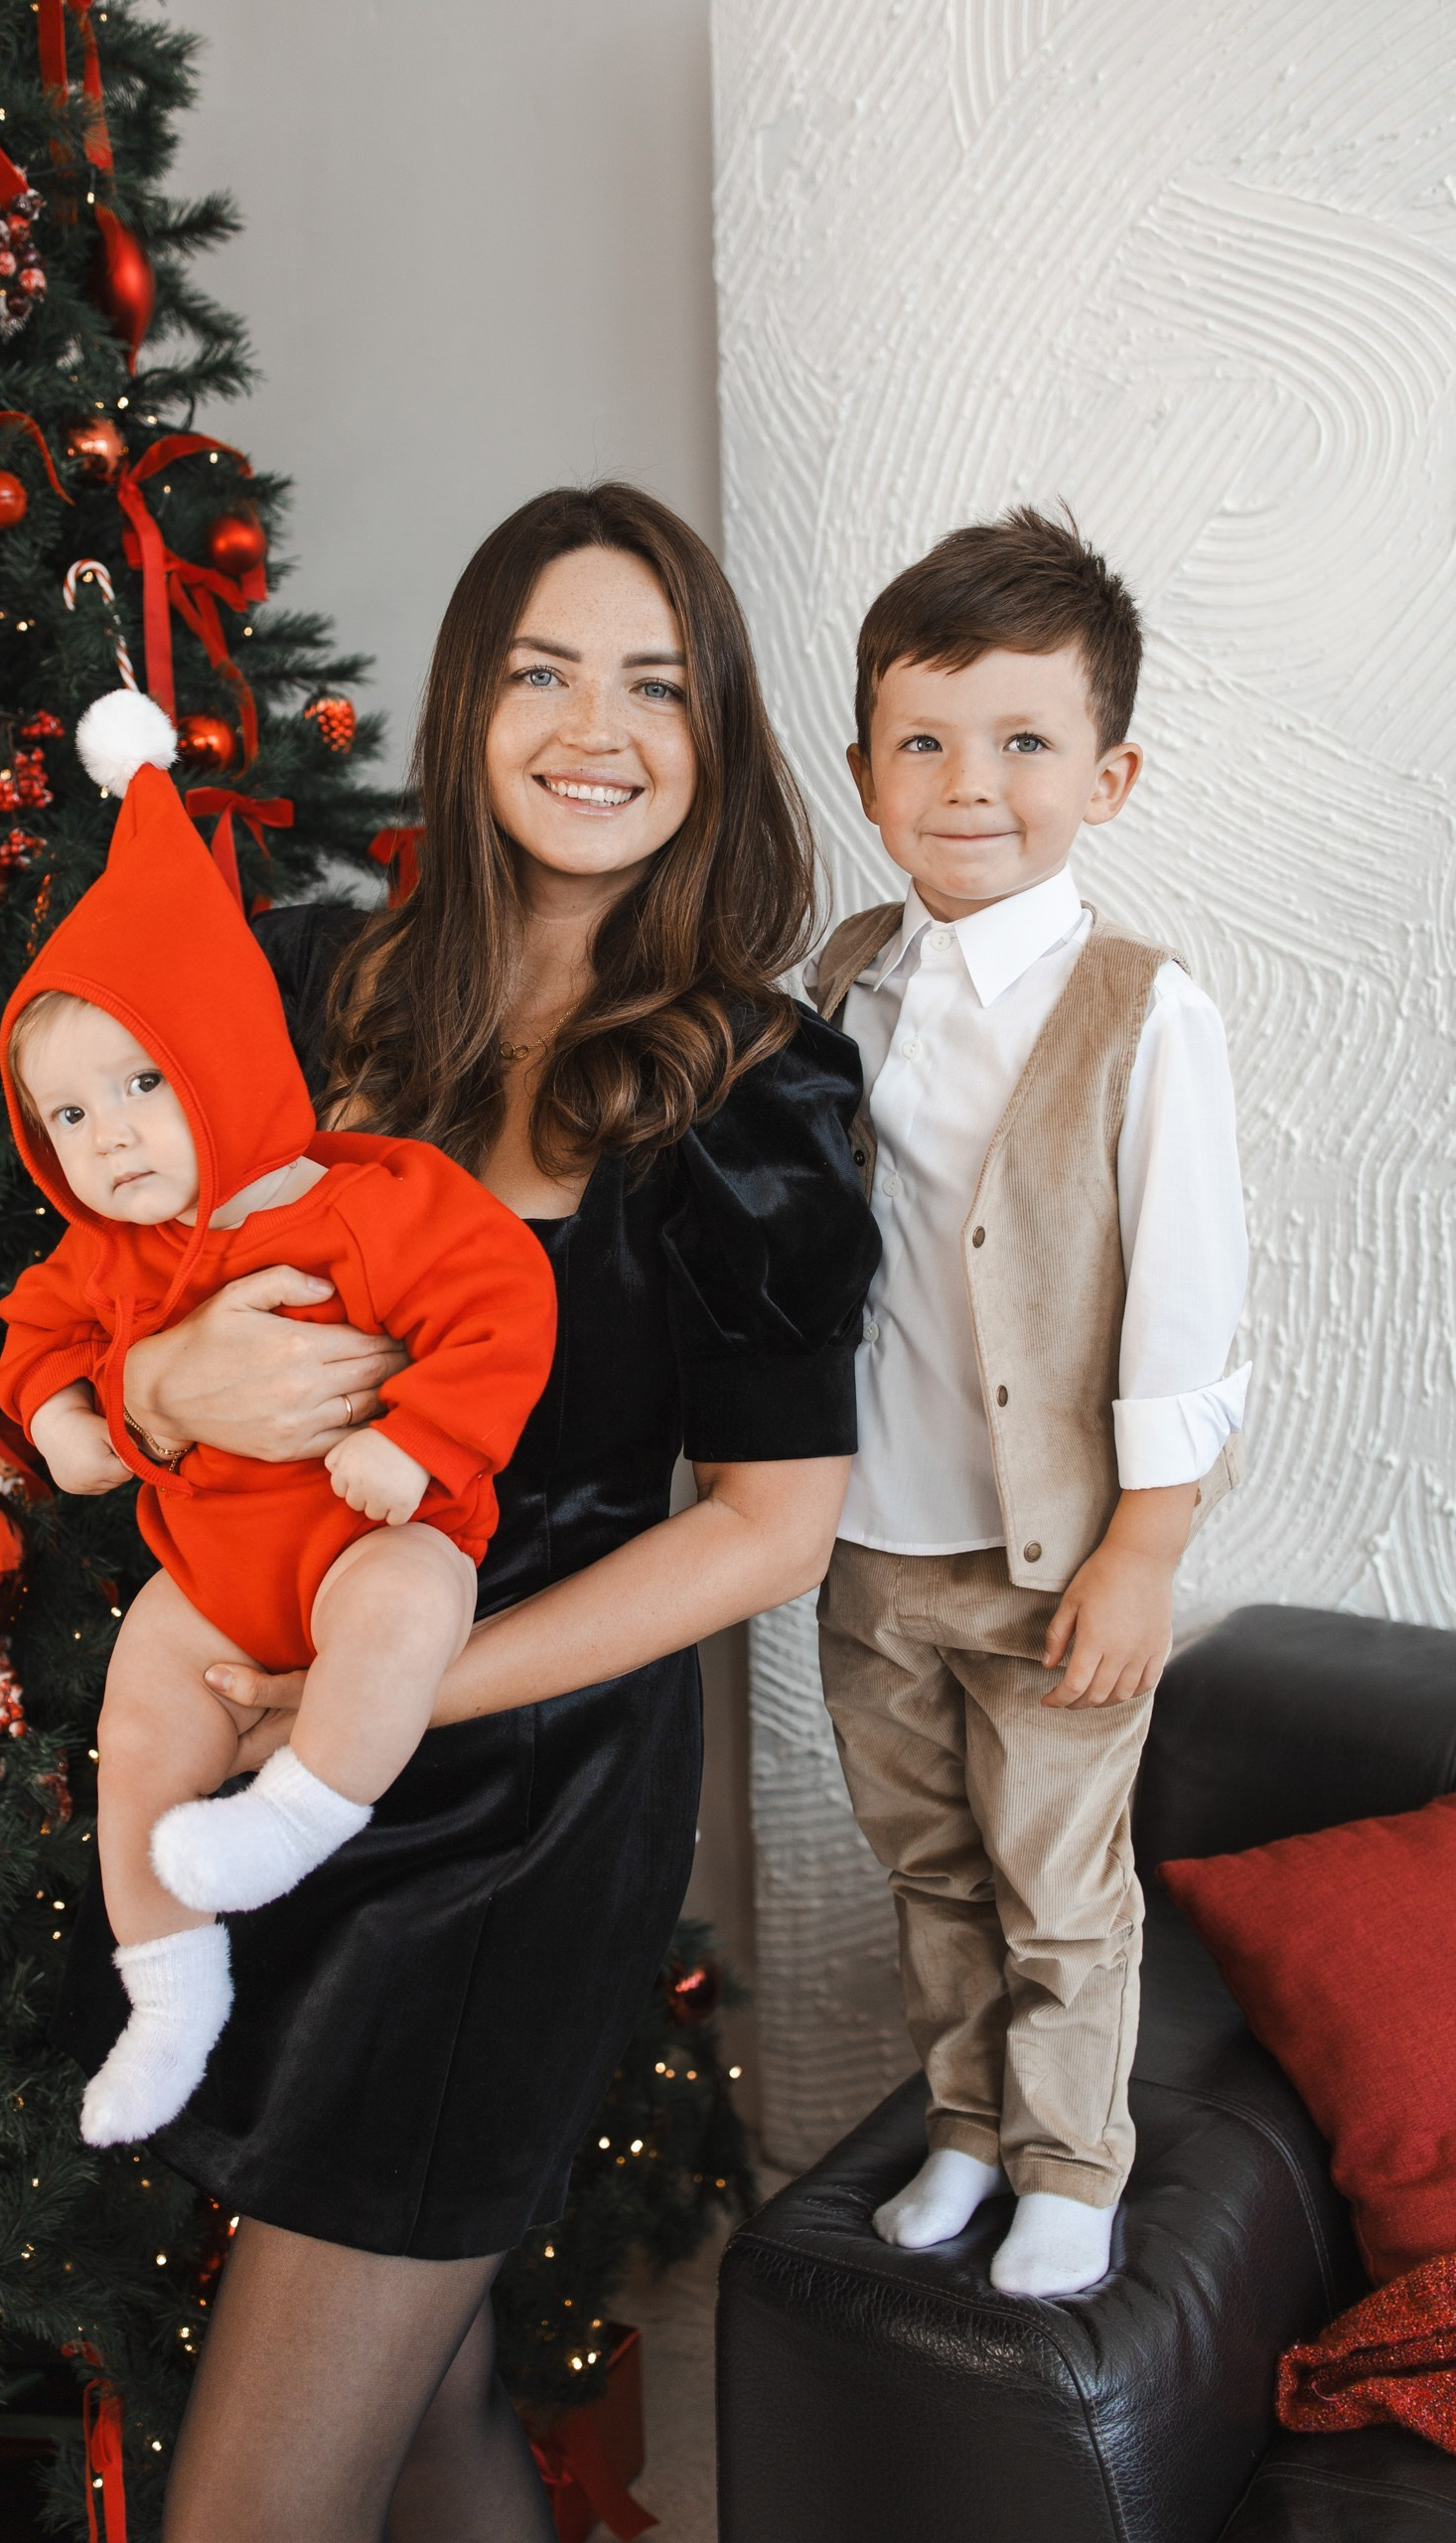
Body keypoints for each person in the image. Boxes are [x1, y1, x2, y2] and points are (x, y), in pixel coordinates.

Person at [48, 482, 882, 2541]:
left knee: (256, 2503)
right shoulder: (314, 983)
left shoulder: (750, 1087)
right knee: (424, 2414)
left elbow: (767, 1528)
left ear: (713, 734)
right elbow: (114, 1274)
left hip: (520, 1813)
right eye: (542, 673)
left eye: (653, 686)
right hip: (272, 1731)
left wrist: (399, 1696)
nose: (594, 730)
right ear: (469, 701)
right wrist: (161, 1386)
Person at [0, 733, 555, 2148]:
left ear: (225, 1063)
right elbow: (33, 1330)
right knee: (138, 1723)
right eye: (69, 1116)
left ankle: (300, 1812)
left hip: (375, 1535)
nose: (109, 1140)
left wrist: (418, 1441)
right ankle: (169, 1993)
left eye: (143, 1085)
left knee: (404, 1602)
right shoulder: (104, 1251)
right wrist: (64, 1415)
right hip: (215, 1577)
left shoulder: (371, 1202)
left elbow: (503, 1304)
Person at [808, 505, 1249, 2301]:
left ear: (1108, 775)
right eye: (922, 742)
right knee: (929, 1865)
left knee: (1059, 1883)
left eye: (1022, 742)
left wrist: (1147, 1547)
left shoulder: (1143, 1013)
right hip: (871, 1538)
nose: (968, 783)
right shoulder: (843, 979)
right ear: (865, 773)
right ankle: (970, 2126)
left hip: (1052, 1558)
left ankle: (1072, 2159)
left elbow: (1191, 1307)